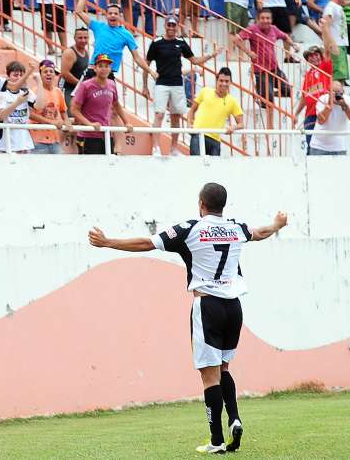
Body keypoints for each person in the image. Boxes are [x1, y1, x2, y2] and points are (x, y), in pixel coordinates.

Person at [87, 182, 289, 455]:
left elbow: (148, 243)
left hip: (207, 306)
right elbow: (260, 232)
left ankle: (216, 441)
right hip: (234, 308)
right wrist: (276, 224)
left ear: (201, 204)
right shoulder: (236, 228)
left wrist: (108, 242)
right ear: (222, 206)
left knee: (209, 377)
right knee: (224, 368)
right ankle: (235, 419)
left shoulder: (190, 228)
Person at [146, 17, 222, 156]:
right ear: (165, 25)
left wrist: (212, 55)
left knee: (176, 116)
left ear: (177, 27)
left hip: (177, 84)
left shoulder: (181, 42)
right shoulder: (156, 42)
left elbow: (195, 60)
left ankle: (173, 148)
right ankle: (156, 147)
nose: (171, 28)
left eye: (173, 25)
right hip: (161, 83)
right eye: (169, 25)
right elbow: (147, 63)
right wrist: (145, 85)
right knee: (159, 114)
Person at [73, 0, 155, 82]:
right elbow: (79, 11)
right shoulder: (98, 26)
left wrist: (151, 71)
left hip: (109, 74)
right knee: (78, 97)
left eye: (115, 13)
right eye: (110, 13)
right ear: (106, 15)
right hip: (92, 71)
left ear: (120, 16)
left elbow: (137, 58)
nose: (112, 15)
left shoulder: (126, 34)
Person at [233, 9, 298, 130]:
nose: (265, 21)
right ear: (258, 19)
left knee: (288, 91)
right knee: (270, 100)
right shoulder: (253, 29)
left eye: (268, 18)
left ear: (271, 20)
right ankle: (270, 127)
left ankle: (260, 95)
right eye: (263, 18)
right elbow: (236, 39)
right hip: (261, 70)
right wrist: (248, 52)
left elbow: (285, 36)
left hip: (274, 68)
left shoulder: (274, 29)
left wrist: (293, 45)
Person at [70, 53, 135, 155]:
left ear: (110, 69)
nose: (104, 69)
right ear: (95, 68)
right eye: (100, 66)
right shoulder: (86, 86)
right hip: (88, 135)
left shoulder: (112, 84)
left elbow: (116, 104)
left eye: (106, 66)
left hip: (107, 134)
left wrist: (126, 122)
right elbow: (74, 109)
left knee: (107, 167)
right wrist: (89, 124)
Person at [187, 67, 244, 157]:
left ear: (230, 82)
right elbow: (192, 111)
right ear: (217, 80)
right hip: (198, 135)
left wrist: (233, 127)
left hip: (215, 140)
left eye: (226, 81)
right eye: (221, 80)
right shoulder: (205, 91)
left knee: (214, 170)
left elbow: (241, 124)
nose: (224, 83)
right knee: (197, 166)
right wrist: (189, 123)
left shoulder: (232, 101)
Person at [0, 61, 36, 153]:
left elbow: (39, 106)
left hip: (24, 144)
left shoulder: (27, 92)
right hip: (5, 145)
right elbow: (0, 117)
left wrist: (39, 82)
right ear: (8, 76)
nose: (19, 78)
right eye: (15, 75)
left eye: (21, 75)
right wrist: (17, 103)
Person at [29, 59, 70, 155]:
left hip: (55, 140)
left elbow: (63, 111)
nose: (49, 74)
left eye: (51, 71)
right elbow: (30, 114)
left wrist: (67, 122)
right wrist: (51, 122)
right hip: (38, 140)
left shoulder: (58, 92)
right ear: (40, 74)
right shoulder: (34, 91)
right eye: (45, 72)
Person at [308, 81, 350, 156]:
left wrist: (344, 106)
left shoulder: (349, 100)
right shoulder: (322, 99)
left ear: (343, 92)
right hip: (318, 146)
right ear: (328, 92)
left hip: (339, 147)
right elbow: (321, 120)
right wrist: (329, 104)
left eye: (340, 93)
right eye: (334, 93)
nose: (337, 96)